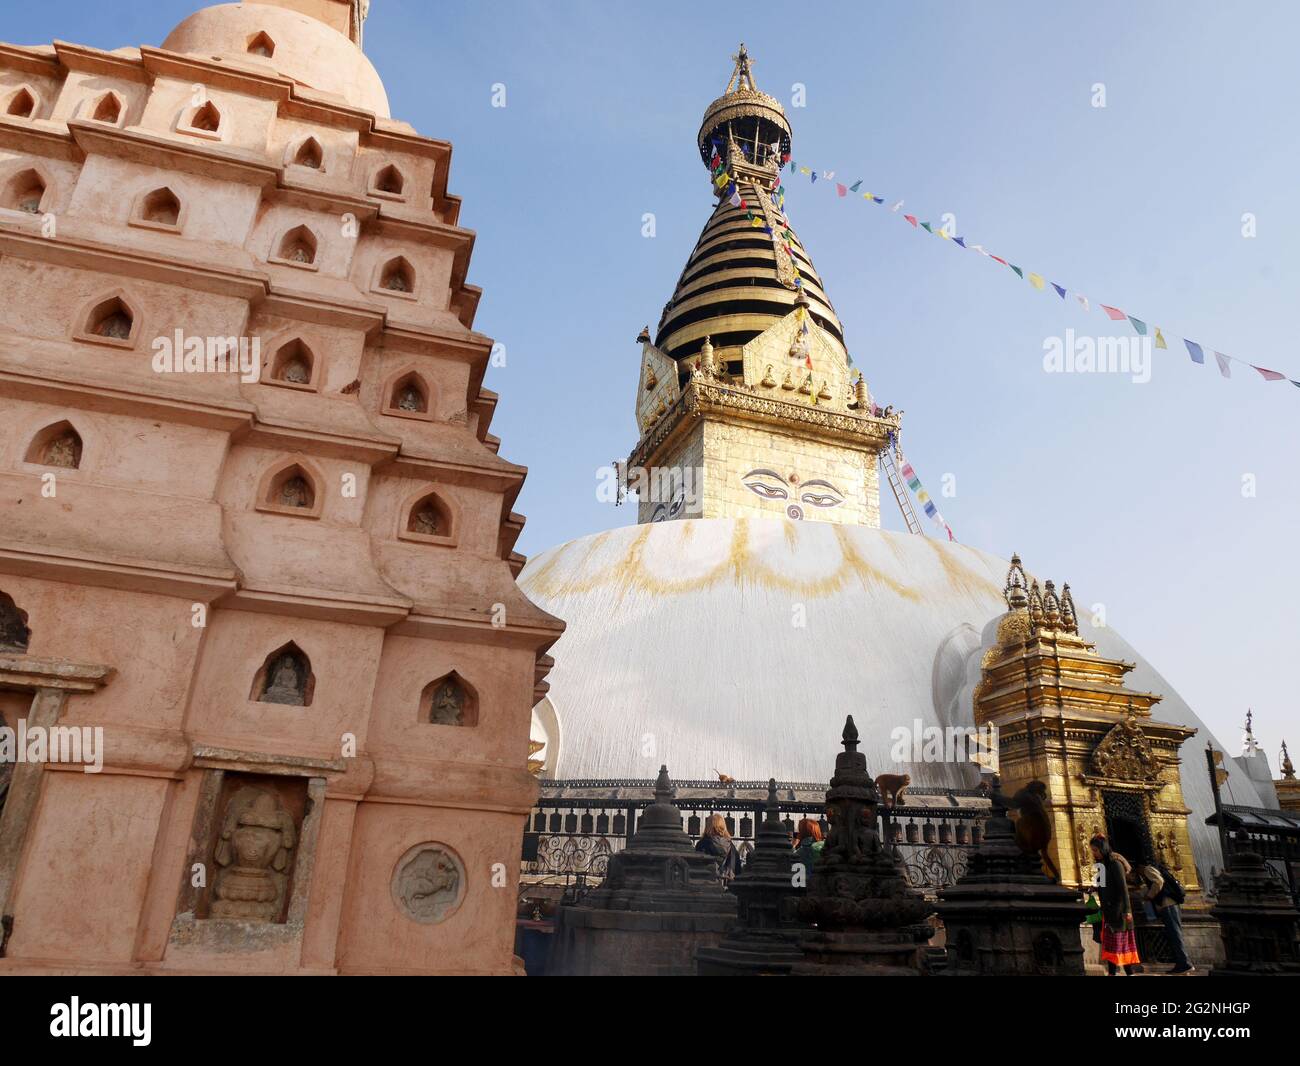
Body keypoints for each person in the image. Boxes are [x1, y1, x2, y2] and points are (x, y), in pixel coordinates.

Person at [1090, 834, 1142, 975]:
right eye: (1092, 850)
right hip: (1108, 912)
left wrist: (1127, 911)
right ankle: (1113, 973)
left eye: (1095, 850)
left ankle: (1128, 973)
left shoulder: (1115, 863)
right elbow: (1102, 884)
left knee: (1121, 946)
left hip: (1119, 913)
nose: (1094, 853)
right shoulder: (1102, 865)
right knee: (1112, 947)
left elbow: (1122, 888)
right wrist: (1094, 887)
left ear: (1103, 849)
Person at [1137, 856, 1194, 974]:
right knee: (1174, 933)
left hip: (1168, 904)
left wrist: (1149, 895)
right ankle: (1181, 962)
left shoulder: (1148, 869)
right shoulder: (1156, 867)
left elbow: (1158, 881)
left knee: (1175, 934)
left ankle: (1185, 963)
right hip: (1169, 904)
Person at [696, 814, 740, 882]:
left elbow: (697, 868)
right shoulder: (732, 848)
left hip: (708, 885)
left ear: (708, 826)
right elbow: (738, 871)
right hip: (729, 886)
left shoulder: (701, 845)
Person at [792, 818, 824, 886]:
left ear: (803, 832)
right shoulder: (823, 846)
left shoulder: (801, 851)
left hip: (803, 885)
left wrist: (793, 845)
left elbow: (791, 860)